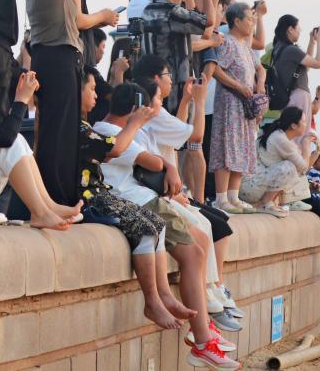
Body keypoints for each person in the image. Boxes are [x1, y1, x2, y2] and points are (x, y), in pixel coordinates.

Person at [94, 84, 240, 368]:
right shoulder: (114, 131)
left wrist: (168, 165)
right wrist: (169, 165)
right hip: (141, 201)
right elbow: (152, 161)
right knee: (195, 252)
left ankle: (202, 329)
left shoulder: (113, 129)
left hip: (144, 199)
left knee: (199, 245)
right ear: (137, 108)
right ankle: (201, 339)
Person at [76, 70, 197, 332]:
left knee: (156, 224)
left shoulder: (89, 126)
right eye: (92, 89)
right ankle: (153, 301)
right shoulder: (88, 128)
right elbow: (116, 149)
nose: (96, 95)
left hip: (107, 193)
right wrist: (135, 123)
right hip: (93, 196)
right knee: (145, 229)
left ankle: (162, 296)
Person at [24, 0, 134, 206]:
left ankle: (58, 196)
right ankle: (56, 197)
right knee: (58, 133)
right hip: (56, 59)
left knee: (63, 130)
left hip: (61, 58)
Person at [0, 47, 79, 229]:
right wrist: (21, 100)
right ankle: (40, 212)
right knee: (14, 142)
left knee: (16, 141)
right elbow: (7, 138)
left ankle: (47, 206)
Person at [208, 2, 265, 214]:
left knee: (242, 146)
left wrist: (259, 83)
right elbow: (216, 70)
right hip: (230, 102)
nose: (252, 23)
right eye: (249, 19)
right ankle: (221, 197)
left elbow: (261, 69)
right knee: (227, 146)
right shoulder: (229, 43)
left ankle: (234, 195)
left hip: (245, 106)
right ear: (237, 21)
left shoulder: (245, 46)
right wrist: (238, 86)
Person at [135, 0, 211, 112]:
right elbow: (208, 21)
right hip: (174, 88)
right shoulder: (171, 11)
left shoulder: (148, 10)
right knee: (179, 132)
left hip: (153, 86)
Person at [239, 108, 315, 217]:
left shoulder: (280, 136)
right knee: (289, 167)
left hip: (250, 186)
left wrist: (317, 152)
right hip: (249, 188)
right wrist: (306, 144)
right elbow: (303, 167)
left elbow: (303, 169)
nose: (306, 124)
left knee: (291, 167)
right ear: (293, 125)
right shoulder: (280, 139)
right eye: (303, 121)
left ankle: (280, 201)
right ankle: (266, 203)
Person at [269, 16, 320, 145]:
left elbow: (306, 65)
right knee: (299, 140)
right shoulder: (291, 50)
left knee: (292, 138)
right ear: (290, 30)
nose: (300, 31)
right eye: (298, 28)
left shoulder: (279, 49)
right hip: (299, 96)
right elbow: (318, 63)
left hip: (290, 97)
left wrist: (312, 41)